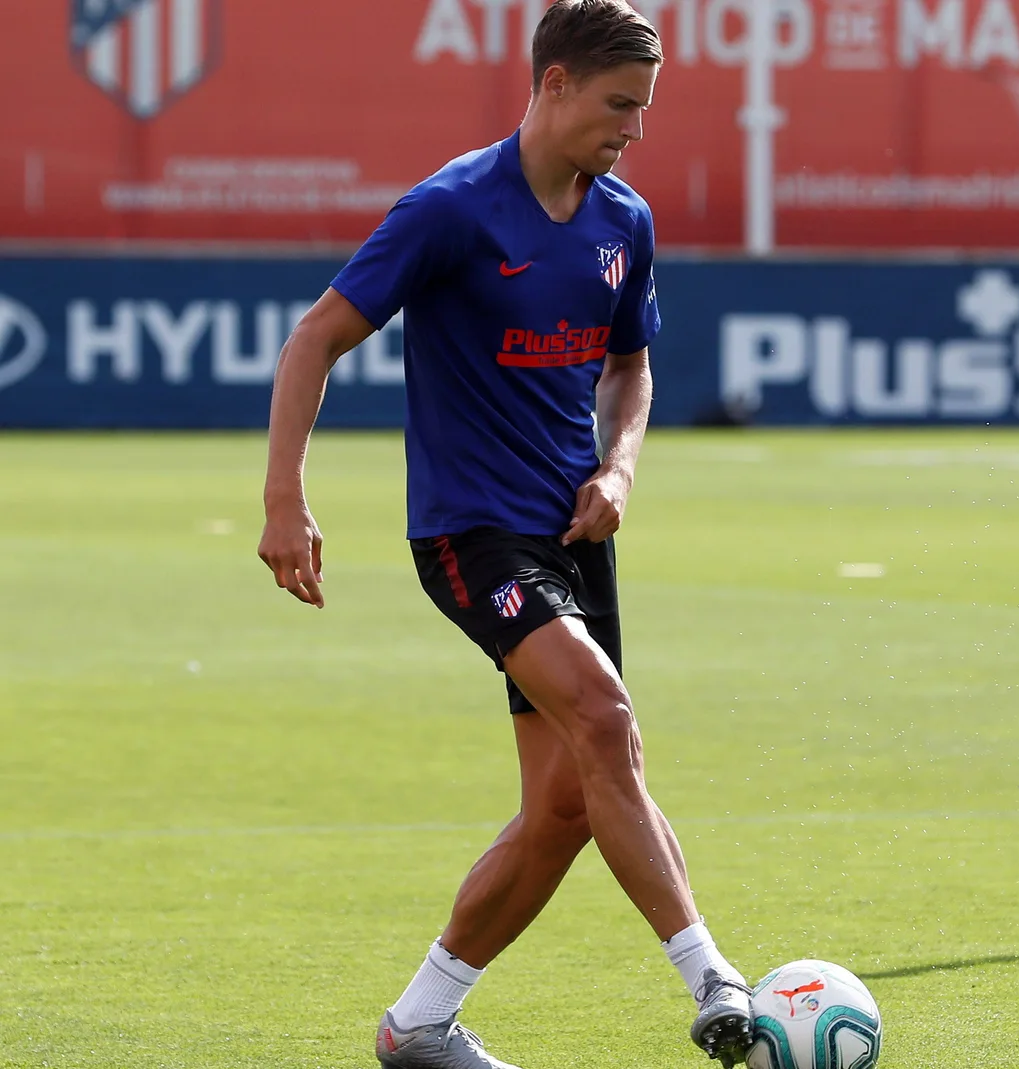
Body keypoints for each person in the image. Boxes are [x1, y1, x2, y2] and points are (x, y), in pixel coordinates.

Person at [255, 3, 753, 1066]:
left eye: (645, 109)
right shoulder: (451, 210)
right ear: (555, 83)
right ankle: (713, 977)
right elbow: (315, 339)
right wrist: (283, 502)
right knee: (605, 711)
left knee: (567, 804)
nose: (634, 129)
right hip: (469, 531)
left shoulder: (625, 221)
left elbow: (630, 363)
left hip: (574, 534)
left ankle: (419, 1023)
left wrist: (619, 467)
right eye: (619, 105)